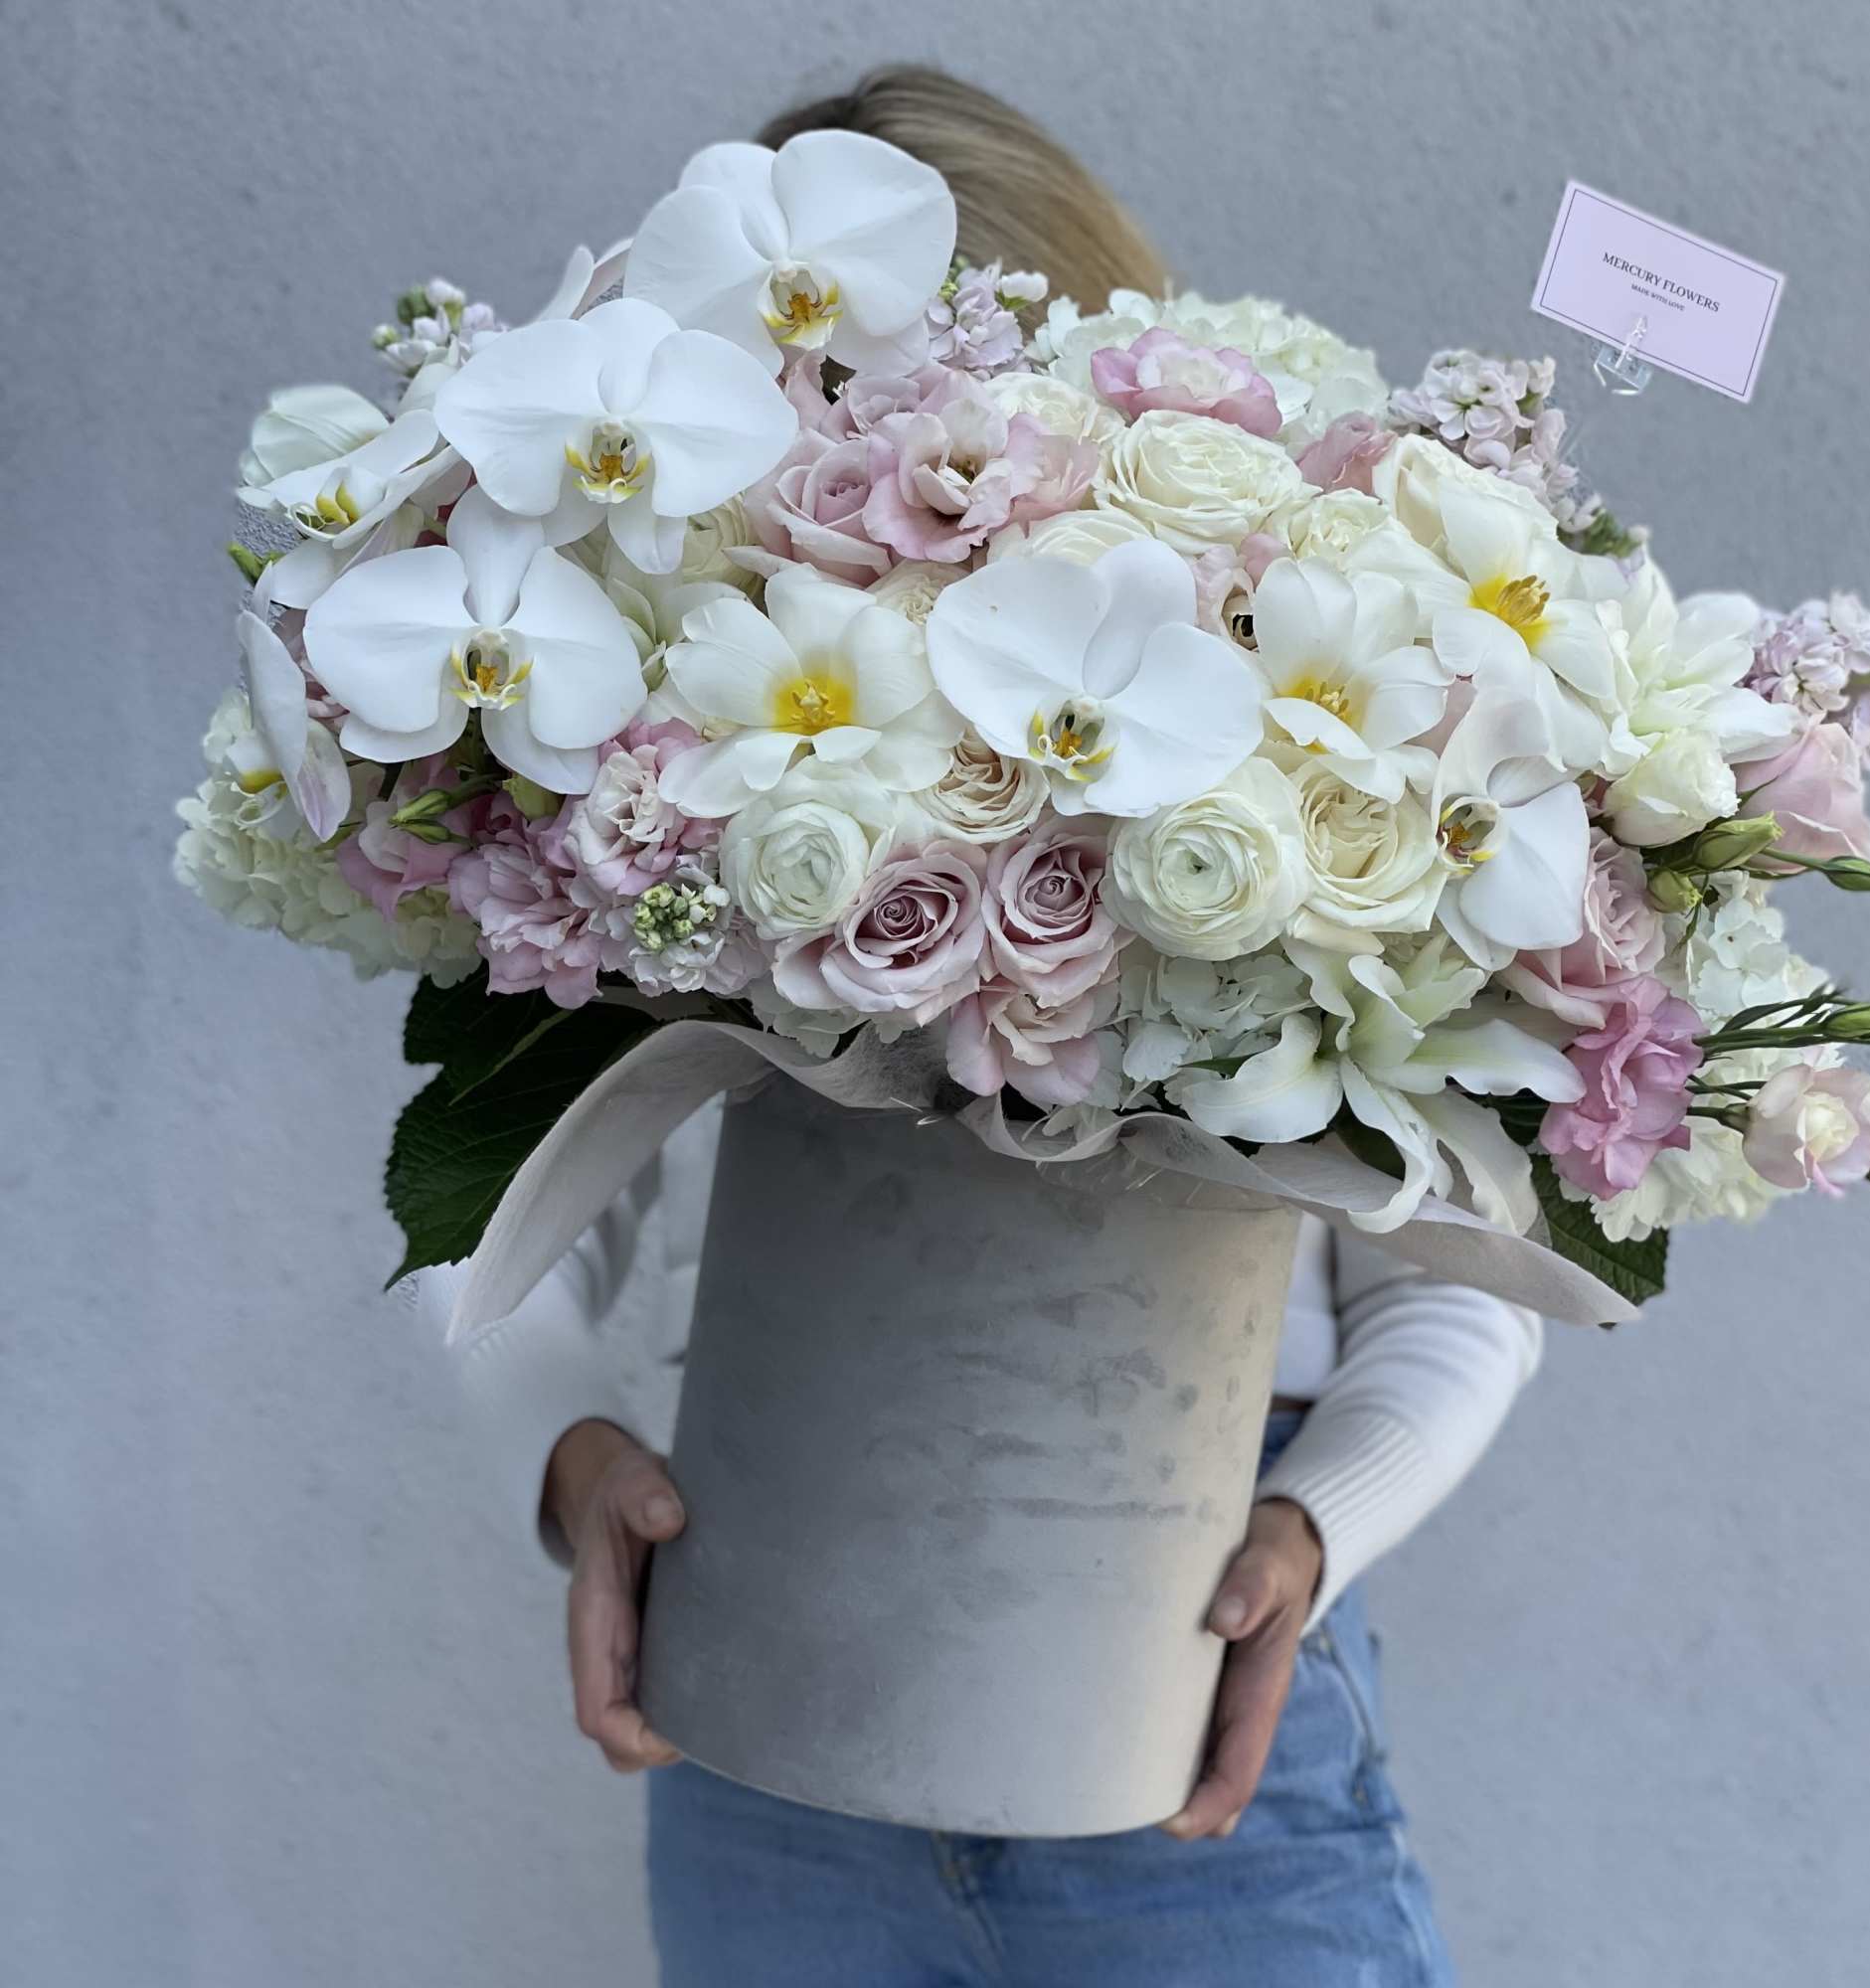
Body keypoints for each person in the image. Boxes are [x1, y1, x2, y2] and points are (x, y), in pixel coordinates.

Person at [417, 67, 1544, 1988]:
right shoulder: (640, 776)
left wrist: (1311, 1535)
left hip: (1191, 1708)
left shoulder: (1272, 771)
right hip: (762, 1707)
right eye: (794, 410)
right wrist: (573, 1459)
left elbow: (1464, 1267)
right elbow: (483, 1215)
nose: (866, 485)